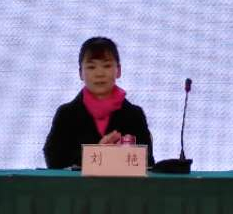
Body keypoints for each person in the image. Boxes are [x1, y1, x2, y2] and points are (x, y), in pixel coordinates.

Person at [43, 37, 154, 169]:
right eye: (91, 67)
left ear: (118, 70)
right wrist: (97, 155)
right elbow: (54, 160)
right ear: (80, 73)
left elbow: (148, 163)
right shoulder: (66, 114)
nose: (99, 73)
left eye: (107, 66)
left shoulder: (134, 115)